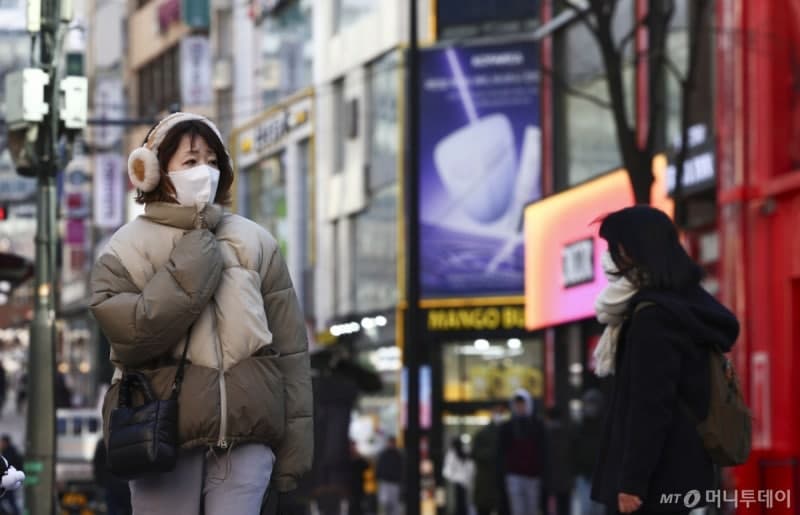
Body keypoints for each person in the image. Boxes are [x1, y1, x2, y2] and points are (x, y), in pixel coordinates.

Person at [89, 112, 313, 514]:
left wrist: (295, 451)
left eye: (212, 161)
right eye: (190, 161)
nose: (204, 172)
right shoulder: (124, 248)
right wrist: (191, 268)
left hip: (247, 440)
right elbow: (130, 336)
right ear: (154, 170)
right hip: (160, 437)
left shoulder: (256, 241)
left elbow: (291, 352)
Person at [590, 206, 740, 515]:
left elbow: (649, 406)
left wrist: (632, 483)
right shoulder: (687, 305)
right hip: (685, 471)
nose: (611, 257)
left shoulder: (654, 317)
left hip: (655, 484)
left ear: (629, 250)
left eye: (614, 247)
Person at [498, 389, 545, 515]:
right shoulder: (507, 427)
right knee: (517, 510)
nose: (520, 407)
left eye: (522, 404)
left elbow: (543, 450)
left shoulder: (537, 425)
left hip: (533, 475)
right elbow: (501, 452)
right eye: (517, 404)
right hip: (514, 475)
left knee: (531, 509)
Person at [572, 389, 606, 515]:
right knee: (586, 509)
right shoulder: (579, 426)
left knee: (599, 510)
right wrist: (575, 470)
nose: (591, 408)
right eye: (588, 404)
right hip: (583, 475)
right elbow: (573, 450)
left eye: (593, 404)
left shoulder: (605, 427)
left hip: (600, 476)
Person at [472, 404, 509, 515]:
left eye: (501, 412)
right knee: (484, 508)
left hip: (502, 482)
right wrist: (493, 452)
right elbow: (476, 453)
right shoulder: (483, 434)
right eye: (497, 412)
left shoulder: (508, 431)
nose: (499, 415)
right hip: (486, 482)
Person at [542, 407, 572, 515]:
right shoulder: (567, 433)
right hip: (564, 481)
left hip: (550, 482)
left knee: (551, 509)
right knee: (563, 509)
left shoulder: (544, 434)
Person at [92, 438, 132, 515]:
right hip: (125, 484)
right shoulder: (128, 440)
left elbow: (97, 465)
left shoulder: (104, 442)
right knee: (128, 510)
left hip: (111, 484)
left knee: (112, 510)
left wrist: (100, 482)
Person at [443, 436, 475, 515]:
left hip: (465, 482)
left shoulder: (465, 453)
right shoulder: (452, 454)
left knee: (464, 503)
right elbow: (447, 471)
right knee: (460, 504)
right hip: (458, 483)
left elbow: (471, 468)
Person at [375, 437, 404, 515]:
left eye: (393, 443)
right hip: (384, 482)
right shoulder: (383, 454)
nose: (391, 444)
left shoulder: (398, 455)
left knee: (394, 503)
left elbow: (401, 468)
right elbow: (379, 467)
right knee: (384, 502)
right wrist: (379, 478)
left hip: (394, 482)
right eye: (390, 443)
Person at [0, 435, 23, 515]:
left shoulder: (9, 453)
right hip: (8, 481)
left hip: (8, 480)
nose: (1, 444)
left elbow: (7, 466)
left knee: (11, 500)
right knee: (10, 501)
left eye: (1, 442)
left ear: (5, 442)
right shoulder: (10, 451)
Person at [348, 441, 369, 515]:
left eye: (354, 446)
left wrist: (359, 456)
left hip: (359, 489)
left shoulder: (360, 460)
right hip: (348, 489)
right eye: (351, 446)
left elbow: (367, 467)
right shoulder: (346, 459)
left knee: (359, 508)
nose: (352, 448)